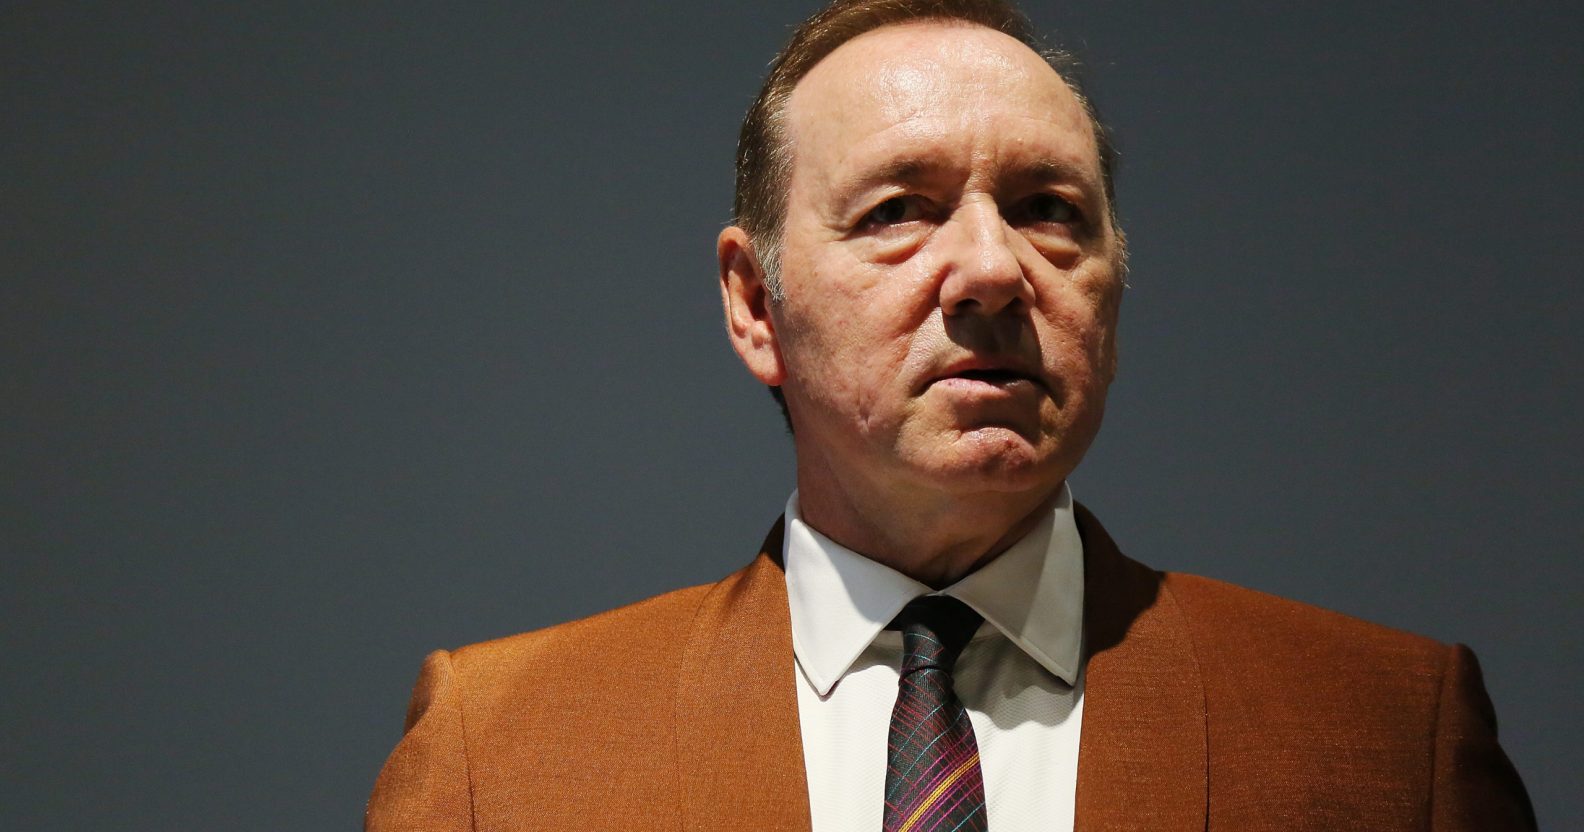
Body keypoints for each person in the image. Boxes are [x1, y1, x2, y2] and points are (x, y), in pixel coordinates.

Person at [365, 1, 1535, 829]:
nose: (990, 269)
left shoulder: (1394, 737)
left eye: (1047, 208)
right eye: (898, 210)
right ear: (755, 303)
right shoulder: (499, 756)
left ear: (1115, 288)